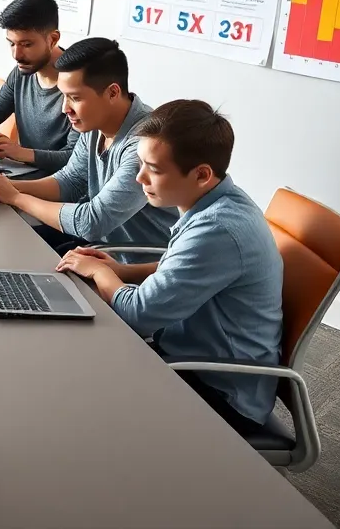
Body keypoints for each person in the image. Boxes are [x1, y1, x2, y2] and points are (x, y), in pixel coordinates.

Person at [57, 100, 283, 434]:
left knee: (76, 389)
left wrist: (101, 273)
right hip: (191, 355)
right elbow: (181, 267)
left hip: (219, 391)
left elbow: (138, 314)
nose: (139, 177)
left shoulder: (219, 228)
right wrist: (122, 271)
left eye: (154, 169)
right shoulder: (219, 199)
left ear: (202, 174)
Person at [0, 38, 177, 254]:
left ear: (113, 93)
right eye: (63, 96)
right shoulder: (95, 123)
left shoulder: (144, 145)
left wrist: (16, 197)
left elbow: (92, 222)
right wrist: (4, 185)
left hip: (132, 262)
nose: (64, 108)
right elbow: (71, 182)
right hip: (96, 246)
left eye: (74, 98)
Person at [0, 0, 78, 175]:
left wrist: (20, 153)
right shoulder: (21, 72)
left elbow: (74, 158)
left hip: (60, 185)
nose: (16, 55)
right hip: (25, 175)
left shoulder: (80, 85)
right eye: (11, 44)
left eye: (26, 44)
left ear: (53, 39)